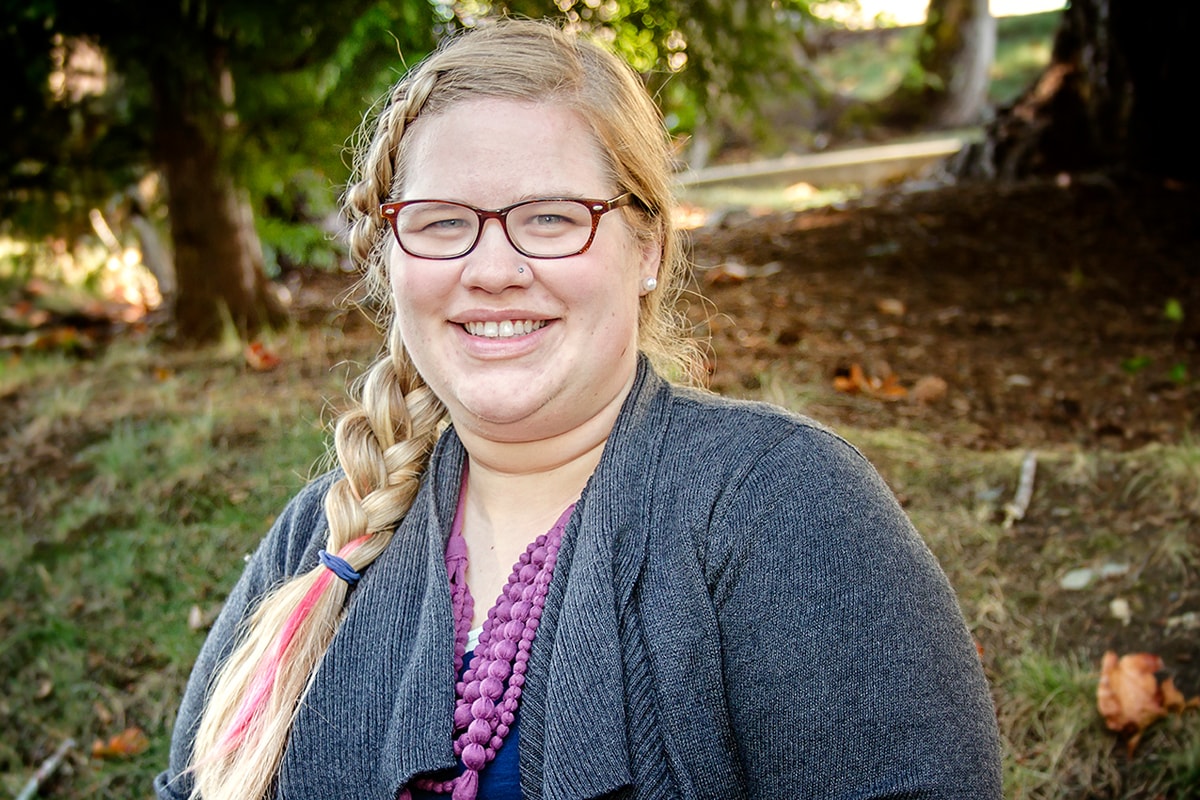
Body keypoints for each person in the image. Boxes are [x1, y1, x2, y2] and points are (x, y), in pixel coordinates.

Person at [155, 18, 1002, 800]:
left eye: (551, 218)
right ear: (391, 258)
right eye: (443, 222)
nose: (491, 268)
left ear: (647, 249)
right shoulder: (319, 544)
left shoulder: (778, 507)